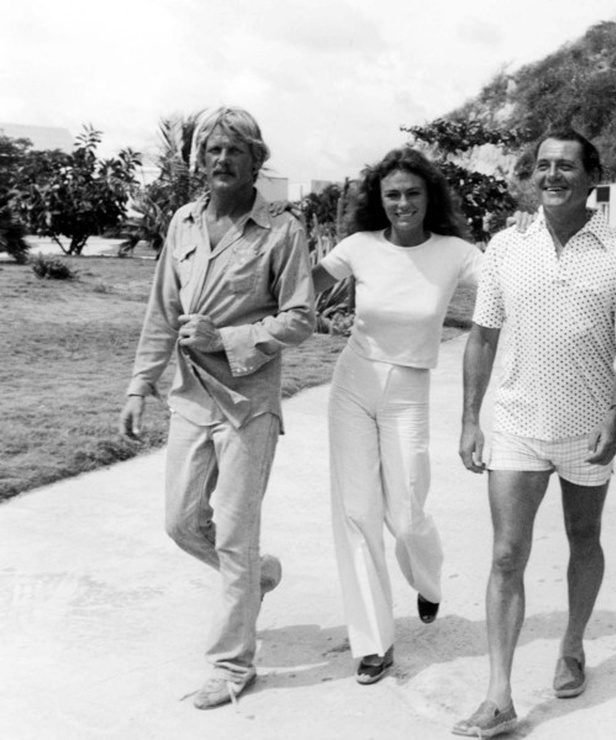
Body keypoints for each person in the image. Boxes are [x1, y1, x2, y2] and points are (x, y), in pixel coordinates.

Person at [454, 128, 616, 737]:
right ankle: (498, 694)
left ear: (592, 177)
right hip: (517, 425)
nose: (552, 175)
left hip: (588, 430)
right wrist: (470, 418)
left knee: (583, 538)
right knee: (506, 554)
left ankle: (571, 643)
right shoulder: (507, 245)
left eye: (566, 166)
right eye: (543, 166)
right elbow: (482, 336)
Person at [119, 106, 315, 710]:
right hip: (190, 398)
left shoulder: (282, 230)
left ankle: (232, 666)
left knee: (233, 534)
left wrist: (224, 339)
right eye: (212, 151)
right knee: (182, 523)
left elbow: (300, 318)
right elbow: (162, 310)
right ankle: (258, 575)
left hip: (248, 405)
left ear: (257, 160)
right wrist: (139, 384)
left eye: (235, 150)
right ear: (199, 161)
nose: (222, 160)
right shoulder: (182, 222)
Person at [314, 147, 482, 685]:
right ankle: (374, 643)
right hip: (354, 381)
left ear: (430, 197)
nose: (402, 203)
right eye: (392, 195)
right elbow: (299, 287)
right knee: (358, 513)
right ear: (378, 199)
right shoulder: (359, 247)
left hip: (409, 390)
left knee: (407, 512)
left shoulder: (455, 252)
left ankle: (428, 582)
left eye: (412, 193)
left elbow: (509, 283)